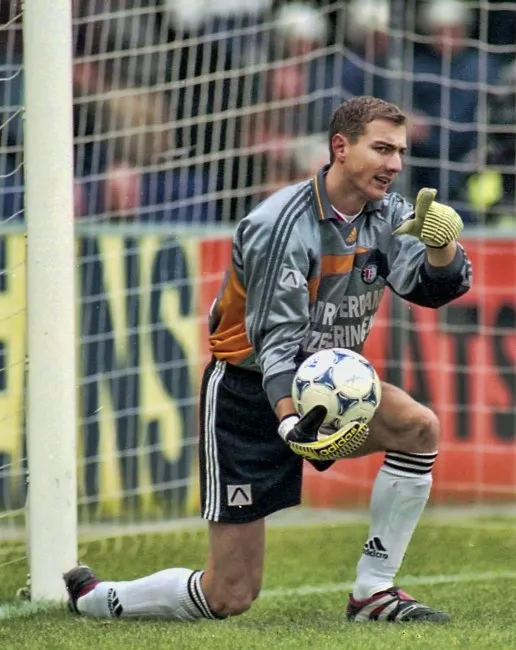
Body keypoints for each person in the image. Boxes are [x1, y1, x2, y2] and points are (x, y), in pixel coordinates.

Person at [63, 96, 472, 623]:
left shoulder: (390, 214)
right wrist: (287, 417)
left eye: (400, 151)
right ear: (340, 148)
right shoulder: (279, 224)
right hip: (248, 396)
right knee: (229, 595)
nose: (395, 164)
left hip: (331, 384)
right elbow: (274, 341)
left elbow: (432, 288)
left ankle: (373, 594)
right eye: (382, 149)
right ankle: (98, 600)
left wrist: (442, 248)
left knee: (418, 428)